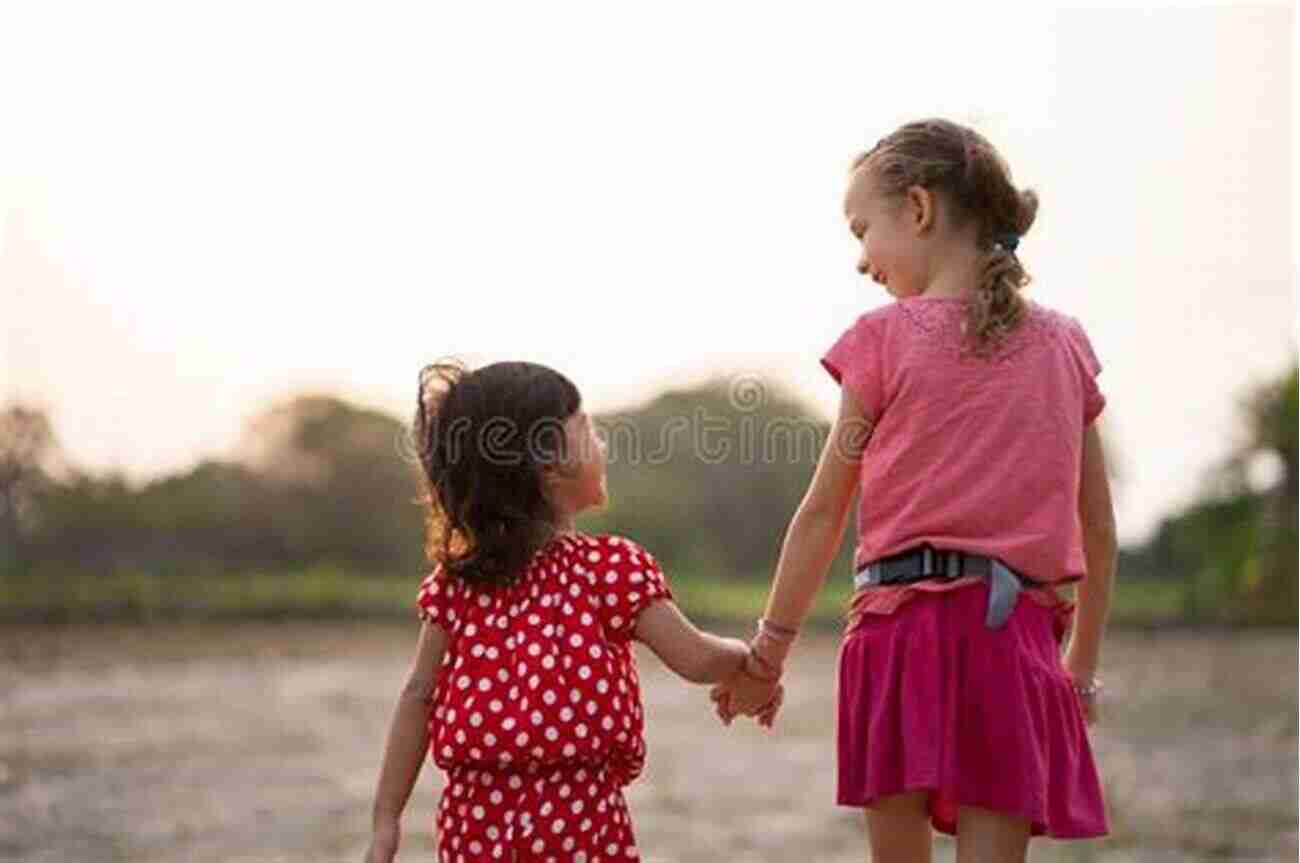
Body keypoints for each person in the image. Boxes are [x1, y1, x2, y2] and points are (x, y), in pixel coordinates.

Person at [710, 117, 1116, 862]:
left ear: (920, 210)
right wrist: (1079, 672)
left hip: (895, 638)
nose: (862, 260)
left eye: (863, 229)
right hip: (1013, 643)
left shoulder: (882, 339)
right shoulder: (1064, 344)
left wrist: (767, 655)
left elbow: (824, 510)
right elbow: (1098, 529)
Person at [364, 360, 763, 863]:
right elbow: (699, 660)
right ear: (549, 467)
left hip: (477, 831)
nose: (604, 445)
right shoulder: (609, 569)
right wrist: (754, 657)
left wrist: (387, 819)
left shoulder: (461, 584)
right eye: (589, 432)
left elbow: (418, 695)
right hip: (573, 826)